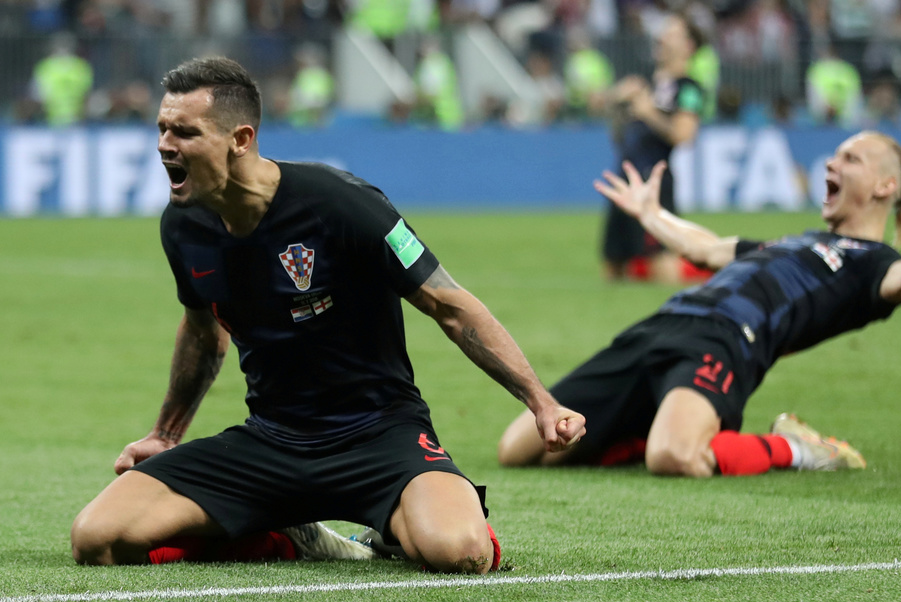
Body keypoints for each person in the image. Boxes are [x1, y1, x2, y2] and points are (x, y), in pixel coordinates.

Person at [70, 57, 585, 573]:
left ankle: (395, 527)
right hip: (270, 441)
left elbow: (448, 305)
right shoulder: (183, 225)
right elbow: (204, 334)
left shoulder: (341, 203)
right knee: (97, 539)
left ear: (241, 139)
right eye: (161, 128)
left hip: (381, 436)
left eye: (184, 131)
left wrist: (540, 402)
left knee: (462, 553)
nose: (164, 144)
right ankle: (286, 535)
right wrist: (166, 433)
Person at [499, 131, 901, 478]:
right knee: (520, 447)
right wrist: (652, 215)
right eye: (835, 156)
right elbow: (705, 246)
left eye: (851, 159)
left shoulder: (873, 262)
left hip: (725, 344)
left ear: (885, 187)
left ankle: (798, 449)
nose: (832, 163)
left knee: (673, 458)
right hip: (661, 325)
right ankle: (640, 430)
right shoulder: (790, 242)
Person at [602, 12, 708, 285]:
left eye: (671, 33)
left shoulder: (689, 89)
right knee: (613, 262)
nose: (661, 37)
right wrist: (617, 101)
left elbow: (684, 135)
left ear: (688, 46)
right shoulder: (647, 84)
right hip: (625, 181)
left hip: (653, 183)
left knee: (660, 259)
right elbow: (618, 134)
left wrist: (649, 112)